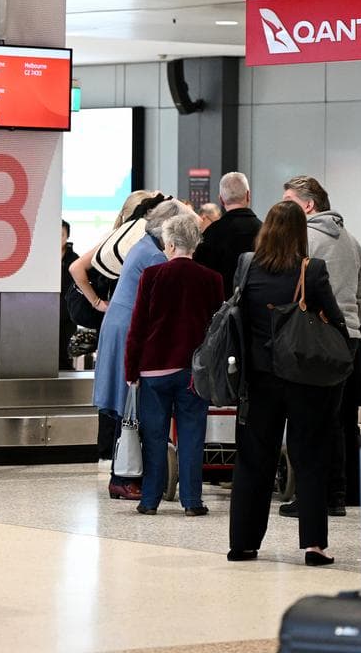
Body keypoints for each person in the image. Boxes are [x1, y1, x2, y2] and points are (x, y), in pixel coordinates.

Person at [228, 201, 347, 567]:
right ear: (300, 233)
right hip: (303, 380)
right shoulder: (311, 271)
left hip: (259, 381)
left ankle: (243, 544)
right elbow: (336, 320)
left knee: (253, 461)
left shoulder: (247, 266)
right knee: (309, 458)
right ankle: (314, 546)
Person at [80, 198, 186, 501]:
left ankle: (126, 475)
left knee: (125, 404)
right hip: (128, 328)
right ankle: (123, 477)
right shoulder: (154, 255)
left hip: (120, 324)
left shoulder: (143, 245)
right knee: (129, 405)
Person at [281, 174, 361, 517]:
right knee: (339, 420)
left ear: (308, 205)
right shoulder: (352, 241)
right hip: (349, 339)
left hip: (314, 339)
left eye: (289, 201)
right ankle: (337, 494)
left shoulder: (302, 239)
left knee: (311, 421)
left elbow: (291, 288)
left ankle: (312, 497)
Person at [124, 214, 223, 515]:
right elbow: (217, 330)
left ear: (169, 243)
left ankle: (150, 500)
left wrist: (131, 370)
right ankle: (192, 501)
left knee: (154, 436)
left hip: (154, 369)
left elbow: (138, 325)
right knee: (192, 435)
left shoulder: (152, 276)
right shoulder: (212, 279)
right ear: (196, 243)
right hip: (193, 371)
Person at [68, 190, 154, 488]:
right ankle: (125, 470)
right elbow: (75, 268)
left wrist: (99, 303)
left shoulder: (113, 239)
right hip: (129, 321)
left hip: (116, 319)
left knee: (120, 398)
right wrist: (97, 302)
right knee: (128, 397)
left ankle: (121, 466)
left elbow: (77, 267)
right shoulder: (138, 244)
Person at [193, 171, 262, 297]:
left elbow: (200, 277)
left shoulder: (210, 234)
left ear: (221, 199)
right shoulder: (265, 231)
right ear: (248, 195)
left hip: (220, 309)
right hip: (258, 308)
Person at [59, 220, 79, 370]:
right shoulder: (44, 257)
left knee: (65, 346)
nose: (59, 238)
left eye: (62, 235)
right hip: (47, 308)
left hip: (68, 310)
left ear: (67, 236)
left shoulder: (74, 258)